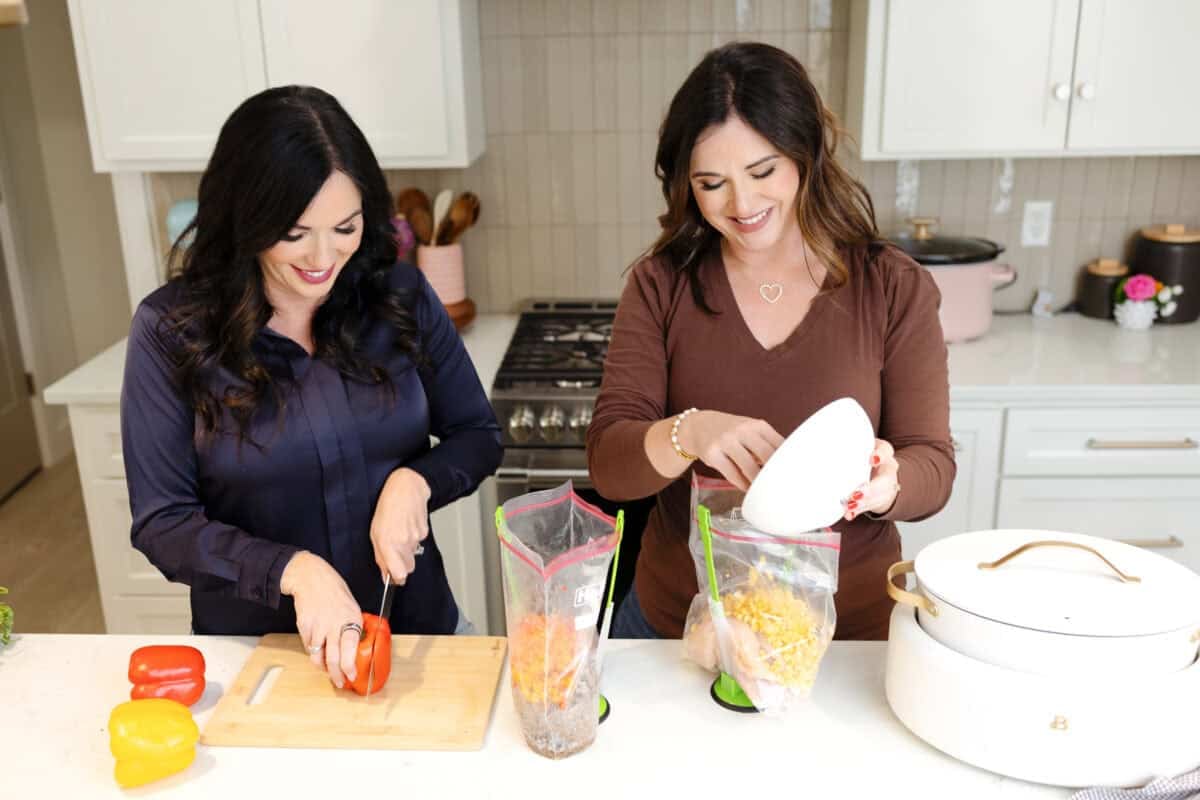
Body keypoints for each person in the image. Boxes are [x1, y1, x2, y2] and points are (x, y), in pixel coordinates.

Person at [121, 86, 502, 687]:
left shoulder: (398, 295)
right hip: (262, 658)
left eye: (345, 227)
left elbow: (477, 435)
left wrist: (415, 481)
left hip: (415, 638)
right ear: (245, 219)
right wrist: (292, 571)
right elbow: (163, 523)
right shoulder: (171, 332)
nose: (325, 257)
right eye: (296, 233)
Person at [586, 42, 954, 641]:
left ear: (806, 155)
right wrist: (691, 431)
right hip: (680, 630)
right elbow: (610, 467)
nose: (743, 204)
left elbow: (932, 465)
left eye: (763, 172)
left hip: (846, 639)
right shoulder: (661, 285)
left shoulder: (890, 285)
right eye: (712, 183)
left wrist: (890, 482)